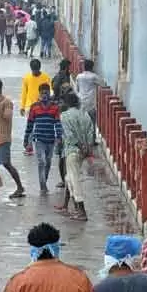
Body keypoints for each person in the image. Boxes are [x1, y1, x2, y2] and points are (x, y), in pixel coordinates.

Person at [58, 93, 96, 221]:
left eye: (62, 102)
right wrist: (88, 148)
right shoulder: (85, 114)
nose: (60, 105)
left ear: (67, 103)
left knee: (74, 179)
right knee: (68, 178)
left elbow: (69, 135)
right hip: (83, 151)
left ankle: (82, 211)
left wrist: (81, 146)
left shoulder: (64, 116)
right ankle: (75, 208)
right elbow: (91, 132)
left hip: (72, 150)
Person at [0, 78, 26, 198]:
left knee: (6, 164)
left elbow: (7, 117)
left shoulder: (7, 102)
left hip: (3, 138)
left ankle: (19, 187)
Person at [24, 83, 63, 194]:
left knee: (48, 162)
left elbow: (57, 123)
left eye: (46, 92)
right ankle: (43, 186)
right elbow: (30, 124)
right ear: (39, 94)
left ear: (49, 93)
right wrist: (26, 139)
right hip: (39, 139)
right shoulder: (34, 107)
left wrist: (59, 137)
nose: (44, 95)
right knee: (42, 162)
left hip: (51, 139)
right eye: (42, 93)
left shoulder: (55, 107)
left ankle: (44, 181)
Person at [20, 58, 52, 157]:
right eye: (33, 70)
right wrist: (22, 106)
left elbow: (50, 92)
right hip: (30, 107)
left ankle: (42, 146)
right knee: (31, 127)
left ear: (39, 68)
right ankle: (29, 146)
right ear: (31, 69)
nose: (35, 72)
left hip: (42, 106)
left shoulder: (46, 77)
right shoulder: (26, 78)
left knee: (41, 126)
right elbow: (24, 93)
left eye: (36, 70)